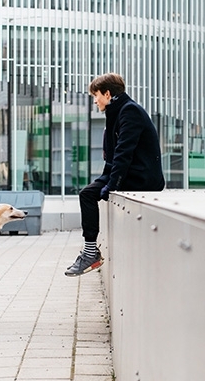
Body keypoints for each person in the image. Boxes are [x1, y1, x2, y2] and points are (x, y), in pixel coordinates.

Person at [65, 73, 165, 277]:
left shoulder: (130, 112)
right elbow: (112, 157)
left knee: (89, 194)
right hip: (130, 172)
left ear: (108, 94)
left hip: (142, 177)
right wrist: (106, 181)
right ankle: (90, 252)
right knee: (87, 193)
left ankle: (90, 253)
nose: (95, 101)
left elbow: (123, 153)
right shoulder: (118, 112)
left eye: (96, 95)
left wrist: (111, 185)